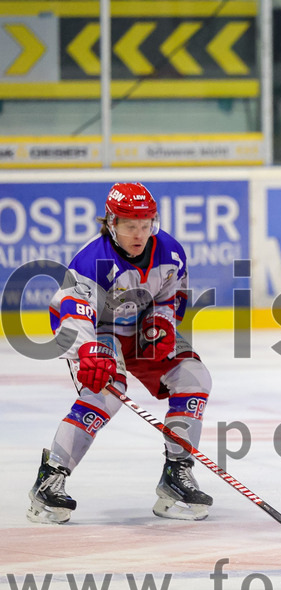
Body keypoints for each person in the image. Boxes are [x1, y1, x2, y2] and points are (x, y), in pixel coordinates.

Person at [27, 182, 214, 524]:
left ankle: (177, 473)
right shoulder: (91, 261)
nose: (139, 234)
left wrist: (161, 323)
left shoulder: (170, 253)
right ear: (111, 223)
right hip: (99, 333)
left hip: (140, 332)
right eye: (130, 226)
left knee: (194, 377)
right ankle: (50, 478)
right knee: (105, 395)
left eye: (146, 224)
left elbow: (171, 297)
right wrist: (88, 352)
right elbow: (73, 310)